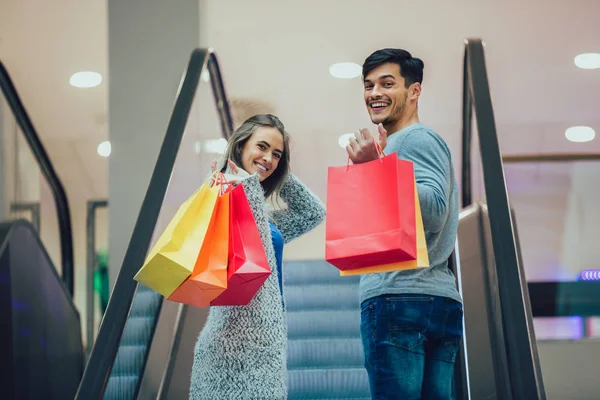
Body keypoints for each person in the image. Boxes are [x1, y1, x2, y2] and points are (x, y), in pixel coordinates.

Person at [346, 48, 464, 399]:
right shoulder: (394, 146)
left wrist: (376, 170)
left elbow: (434, 212)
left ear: (414, 91)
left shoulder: (414, 139)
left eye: (387, 83)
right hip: (429, 298)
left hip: (400, 296)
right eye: (368, 85)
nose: (374, 93)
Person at [189, 114, 326, 400]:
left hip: (267, 342)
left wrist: (278, 170)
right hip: (230, 341)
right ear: (240, 146)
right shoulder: (222, 193)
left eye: (276, 154)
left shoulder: (266, 218)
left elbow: (313, 213)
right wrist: (240, 179)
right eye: (261, 147)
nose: (269, 158)